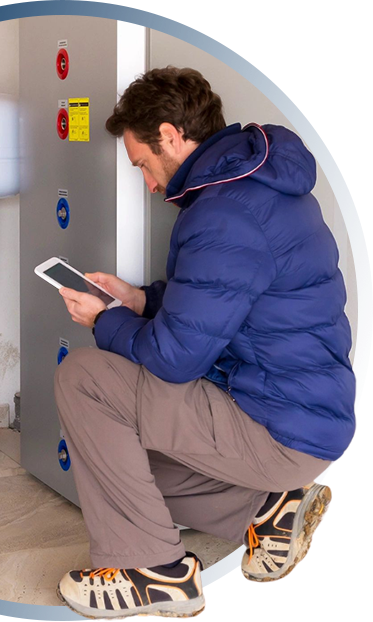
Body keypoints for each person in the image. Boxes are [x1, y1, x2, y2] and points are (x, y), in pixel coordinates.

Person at [53, 67, 357, 620]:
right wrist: (139, 299)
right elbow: (223, 304)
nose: (147, 183)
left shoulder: (223, 213)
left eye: (143, 164)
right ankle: (266, 509)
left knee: (85, 377)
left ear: (170, 136)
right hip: (300, 417)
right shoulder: (253, 188)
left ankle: (154, 573)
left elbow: (174, 359)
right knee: (119, 467)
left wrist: (104, 321)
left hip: (277, 427)